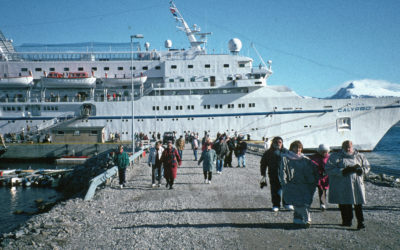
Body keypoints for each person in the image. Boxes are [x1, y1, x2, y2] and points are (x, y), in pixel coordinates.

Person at [325, 140, 370, 229]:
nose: (348, 149)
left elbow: (367, 166)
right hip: (342, 184)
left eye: (349, 147)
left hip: (356, 183)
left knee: (358, 203)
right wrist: (343, 171)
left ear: (352, 147)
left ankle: (360, 222)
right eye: (346, 147)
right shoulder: (335, 156)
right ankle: (346, 221)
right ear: (342, 147)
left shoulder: (360, 156)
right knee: (344, 203)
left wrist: (362, 170)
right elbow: (329, 169)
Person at [280, 141, 318, 228]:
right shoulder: (285, 158)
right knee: (296, 203)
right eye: (296, 147)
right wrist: (284, 183)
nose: (298, 150)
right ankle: (299, 219)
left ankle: (306, 219)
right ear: (291, 148)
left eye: (300, 148)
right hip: (292, 184)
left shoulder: (305, 159)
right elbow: (282, 171)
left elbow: (314, 169)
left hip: (305, 184)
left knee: (305, 202)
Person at [260, 136, 293, 212]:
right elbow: (263, 163)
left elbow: (294, 161)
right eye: (276, 142)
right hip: (273, 174)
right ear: (273, 143)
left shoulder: (286, 152)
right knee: (275, 190)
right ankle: (276, 205)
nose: (278, 144)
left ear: (282, 143)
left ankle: (287, 204)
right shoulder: (268, 153)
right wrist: (263, 173)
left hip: (285, 174)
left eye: (280, 142)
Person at [309, 144, 330, 211]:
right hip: (316, 176)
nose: (324, 153)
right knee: (311, 190)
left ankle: (322, 204)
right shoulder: (314, 157)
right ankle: (307, 203)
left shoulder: (329, 158)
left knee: (323, 190)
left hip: (325, 176)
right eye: (322, 151)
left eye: (326, 151)